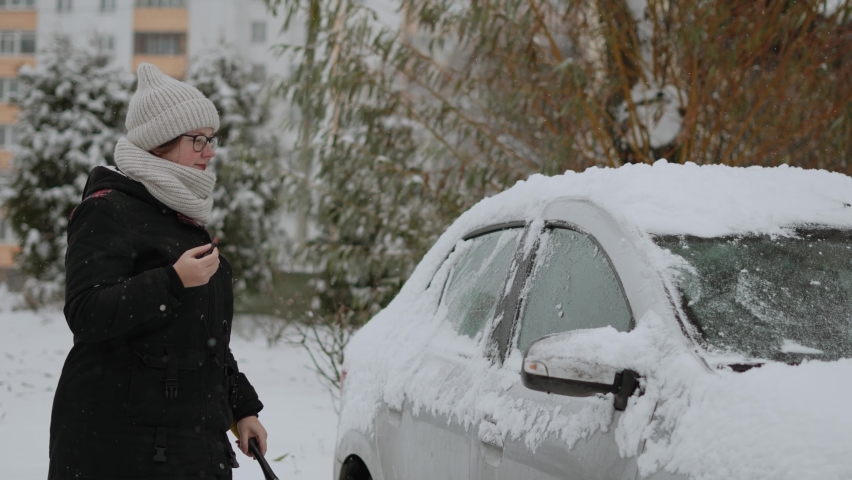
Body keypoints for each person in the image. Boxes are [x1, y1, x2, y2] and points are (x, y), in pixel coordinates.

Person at [48, 63, 267, 479]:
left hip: (185, 444)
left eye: (211, 139)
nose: (210, 151)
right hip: (119, 448)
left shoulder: (181, 217)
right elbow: (86, 313)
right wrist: (171, 281)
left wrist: (241, 410)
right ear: (158, 143)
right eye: (197, 140)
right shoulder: (107, 210)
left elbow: (200, 339)